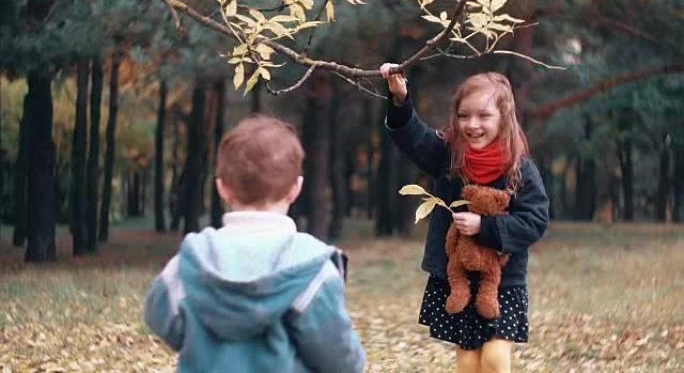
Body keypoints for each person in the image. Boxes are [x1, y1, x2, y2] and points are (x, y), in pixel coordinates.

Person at [144, 116, 365, 373]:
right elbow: (339, 359)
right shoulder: (311, 269)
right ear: (296, 188)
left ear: (222, 188)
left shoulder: (192, 263)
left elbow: (158, 315)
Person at [380, 63, 549, 373]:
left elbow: (535, 220)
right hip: (458, 279)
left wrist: (486, 228)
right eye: (464, 116)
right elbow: (412, 137)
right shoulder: (449, 155)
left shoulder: (519, 168)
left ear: (504, 118)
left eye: (484, 116)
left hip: (502, 284)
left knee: (495, 359)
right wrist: (400, 98)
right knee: (468, 361)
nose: (473, 125)